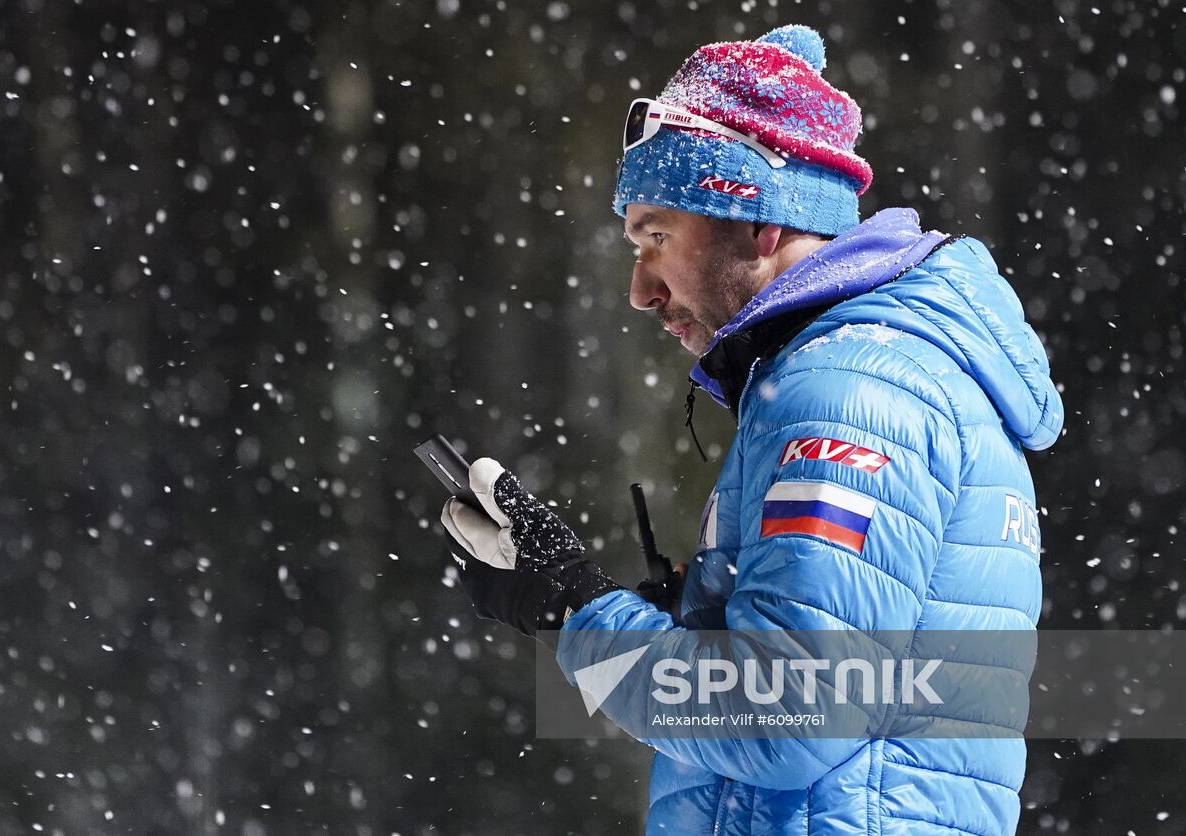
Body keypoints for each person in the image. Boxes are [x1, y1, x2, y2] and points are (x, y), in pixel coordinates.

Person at [439, 24, 1062, 835]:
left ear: (761, 226)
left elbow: (788, 713)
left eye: (657, 238)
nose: (639, 289)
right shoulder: (859, 369)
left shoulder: (849, 391)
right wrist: (696, 618)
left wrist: (577, 608)